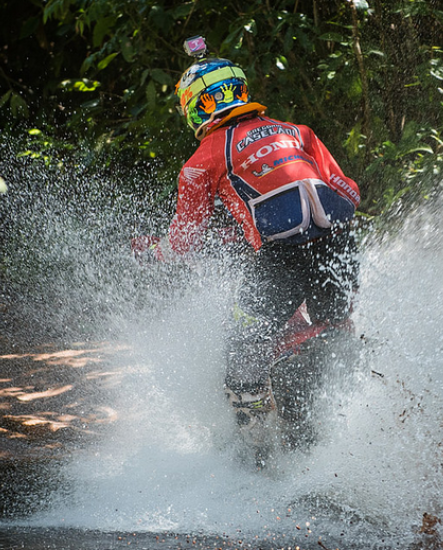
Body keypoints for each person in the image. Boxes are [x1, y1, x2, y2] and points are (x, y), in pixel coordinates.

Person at [136, 39, 361, 452]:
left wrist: (153, 251)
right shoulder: (298, 132)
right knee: (337, 331)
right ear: (241, 92)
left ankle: (257, 457)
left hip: (280, 259)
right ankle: (347, 421)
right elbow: (347, 193)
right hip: (341, 245)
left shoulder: (201, 161)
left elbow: (184, 242)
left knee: (241, 356)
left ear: (195, 107)